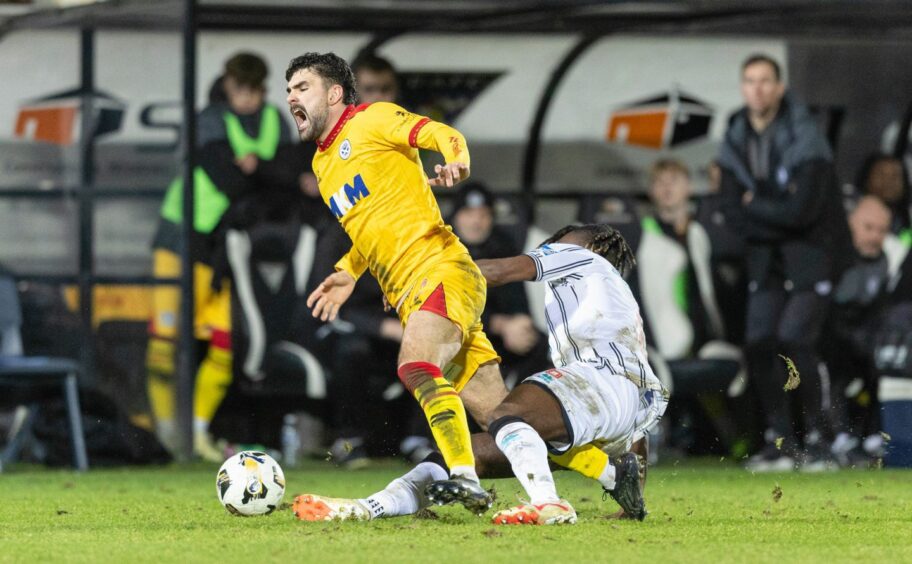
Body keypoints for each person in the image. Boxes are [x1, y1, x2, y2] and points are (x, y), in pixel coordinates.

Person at [292, 224, 669, 525]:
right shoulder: (613, 306)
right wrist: (632, 503)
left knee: (506, 414)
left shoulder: (581, 256)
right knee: (467, 453)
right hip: (616, 404)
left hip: (597, 385)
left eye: (561, 238)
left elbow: (497, 271)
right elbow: (634, 428)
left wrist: (421, 281)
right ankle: (373, 506)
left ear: (593, 245)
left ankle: (549, 504)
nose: (552, 244)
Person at [285, 52, 507, 510]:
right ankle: (609, 465)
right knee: (505, 422)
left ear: (333, 94)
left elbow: (442, 134)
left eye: (301, 87)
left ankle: (463, 476)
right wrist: (348, 272)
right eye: (288, 90)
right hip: (413, 289)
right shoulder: (324, 168)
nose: (291, 97)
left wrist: (456, 161)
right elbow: (370, 227)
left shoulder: (373, 120)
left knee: (415, 365)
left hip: (439, 269)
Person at [146, 52, 298, 461]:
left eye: (253, 90)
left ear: (264, 89)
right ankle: (161, 434)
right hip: (181, 241)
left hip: (225, 249)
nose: (245, 98)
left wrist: (258, 168)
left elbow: (291, 176)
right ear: (227, 85)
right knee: (165, 342)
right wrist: (268, 172)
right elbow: (229, 179)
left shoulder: (275, 121)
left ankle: (196, 433)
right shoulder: (210, 119)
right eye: (238, 89)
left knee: (224, 345)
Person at [717, 53, 850, 472]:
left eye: (765, 81)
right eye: (750, 81)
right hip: (767, 261)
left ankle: (821, 438)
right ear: (743, 88)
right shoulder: (736, 135)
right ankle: (781, 443)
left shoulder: (806, 137)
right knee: (758, 342)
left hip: (810, 257)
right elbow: (731, 212)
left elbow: (804, 212)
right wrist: (773, 209)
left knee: (796, 339)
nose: (757, 88)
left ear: (779, 87)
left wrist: (756, 206)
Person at [449, 183, 548, 385]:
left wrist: (521, 323)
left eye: (483, 215)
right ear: (455, 216)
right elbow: (449, 310)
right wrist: (502, 325)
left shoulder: (502, 245)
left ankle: (516, 409)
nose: (476, 222)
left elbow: (517, 296)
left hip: (498, 337)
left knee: (539, 344)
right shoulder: (441, 247)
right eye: (468, 213)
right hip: (455, 341)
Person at [824, 196, 893, 465]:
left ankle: (872, 436)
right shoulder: (832, 257)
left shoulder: (883, 261)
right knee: (831, 367)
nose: (875, 237)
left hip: (864, 338)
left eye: (881, 230)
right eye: (868, 228)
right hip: (830, 337)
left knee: (884, 360)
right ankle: (838, 438)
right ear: (851, 224)